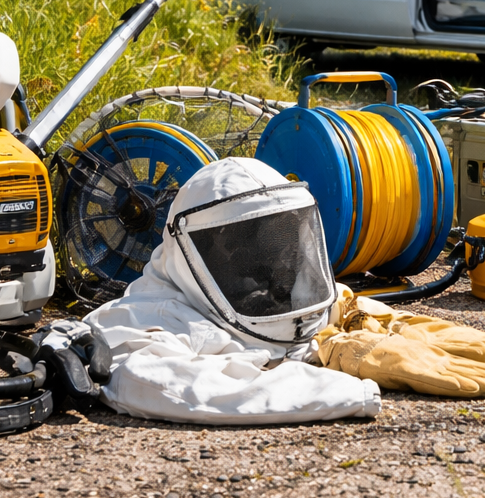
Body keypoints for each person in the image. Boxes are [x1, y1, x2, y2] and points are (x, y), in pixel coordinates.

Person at [84, 157, 380, 425]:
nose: (261, 267)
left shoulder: (315, 306)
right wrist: (354, 392)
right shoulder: (147, 320)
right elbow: (178, 388)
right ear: (193, 249)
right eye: (240, 245)